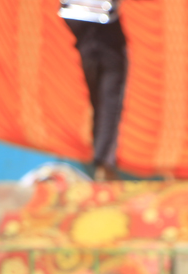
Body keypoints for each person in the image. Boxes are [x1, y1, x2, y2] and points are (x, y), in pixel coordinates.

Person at [63, 2, 127, 181]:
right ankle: (104, 163)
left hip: (74, 13)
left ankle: (102, 159)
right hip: (99, 16)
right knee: (110, 89)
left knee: (97, 89)